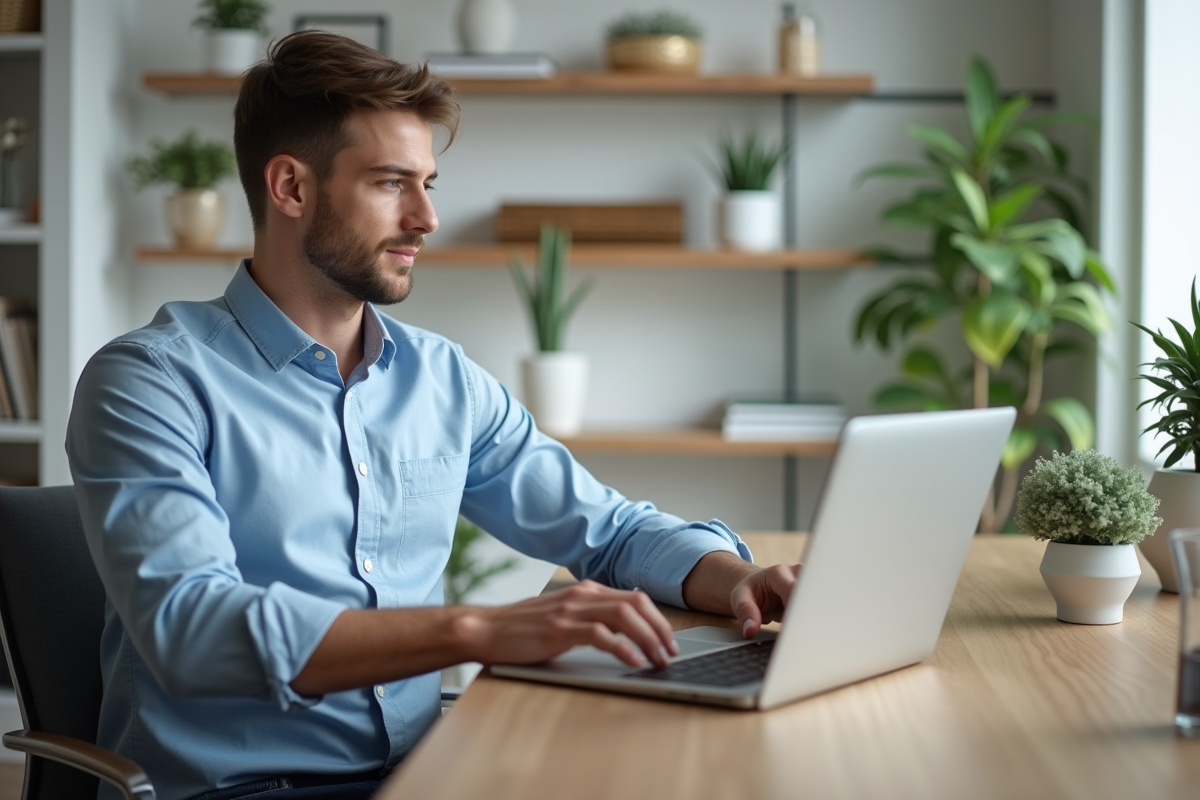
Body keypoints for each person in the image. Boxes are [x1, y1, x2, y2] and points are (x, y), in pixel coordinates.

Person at [66, 31, 800, 800]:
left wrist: (739, 578)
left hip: (426, 774)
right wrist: (476, 629)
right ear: (290, 188)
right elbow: (192, 628)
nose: (426, 219)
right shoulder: (149, 382)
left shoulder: (441, 379)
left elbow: (608, 531)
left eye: (429, 184)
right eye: (390, 184)